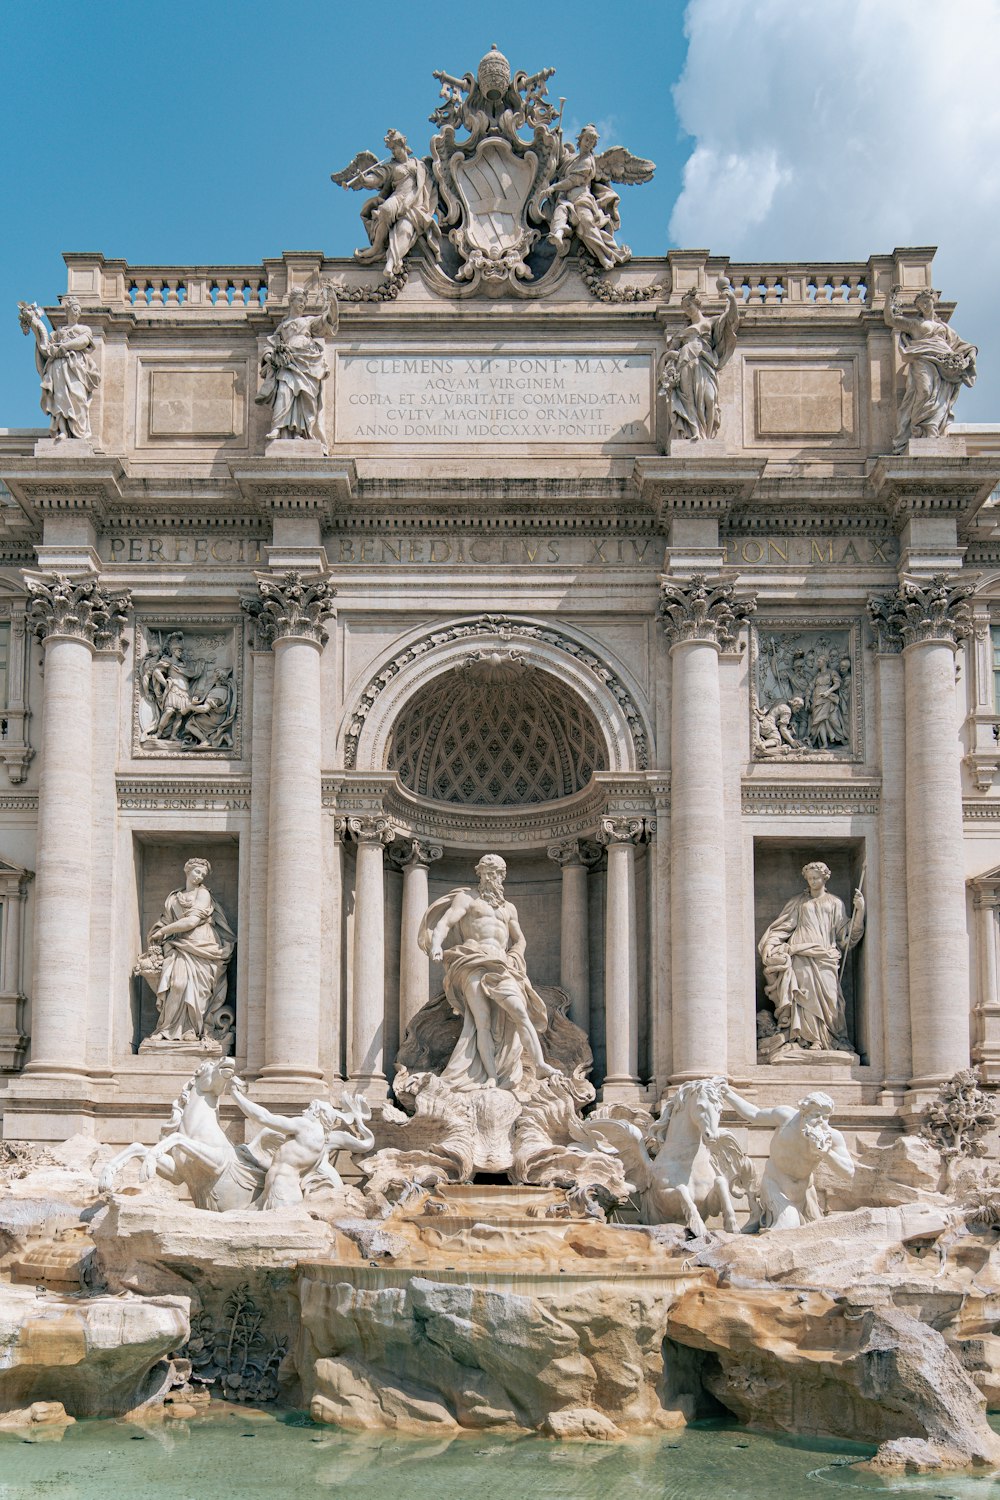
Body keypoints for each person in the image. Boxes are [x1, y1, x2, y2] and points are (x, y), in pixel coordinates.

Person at [419, 853, 559, 1090]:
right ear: (480, 874)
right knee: (480, 1020)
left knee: (520, 1011)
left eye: (496, 874)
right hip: (472, 960)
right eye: (488, 873)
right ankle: (491, 1076)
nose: (492, 878)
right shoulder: (467, 899)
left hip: (502, 965)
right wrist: (435, 946)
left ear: (503, 876)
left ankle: (540, 1064)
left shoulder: (509, 909)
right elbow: (445, 923)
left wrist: (515, 957)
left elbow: (520, 939)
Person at [758, 861, 863, 1051]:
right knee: (804, 995)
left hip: (825, 954)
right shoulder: (799, 902)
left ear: (825, 878)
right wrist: (771, 943)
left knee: (830, 997)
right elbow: (784, 926)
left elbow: (845, 934)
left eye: (816, 878)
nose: (813, 881)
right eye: (810, 879)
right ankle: (809, 1039)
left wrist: (860, 911)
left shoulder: (835, 902)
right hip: (800, 952)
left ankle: (829, 1039)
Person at [719, 1087, 854, 1230]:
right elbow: (753, 1114)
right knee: (788, 1226)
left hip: (805, 1192)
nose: (821, 1122)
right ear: (804, 1113)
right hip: (776, 1186)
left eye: (826, 1117)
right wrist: (727, 1093)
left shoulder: (832, 1137)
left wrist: (826, 1153)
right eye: (816, 1115)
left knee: (816, 1232)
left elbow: (849, 1173)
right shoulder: (785, 1117)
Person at [146, 858, 235, 1042]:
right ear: (187, 870)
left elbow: (192, 921)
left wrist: (163, 931)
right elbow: (166, 920)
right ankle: (167, 1029)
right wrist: (158, 931)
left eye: (203, 874)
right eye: (197, 872)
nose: (200, 876)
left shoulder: (203, 894)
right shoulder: (173, 897)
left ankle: (192, 1030)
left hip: (202, 946)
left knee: (197, 989)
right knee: (177, 985)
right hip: (179, 945)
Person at [884, 288, 976, 452]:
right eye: (922, 303)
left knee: (938, 398)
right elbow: (890, 319)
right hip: (923, 359)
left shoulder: (944, 327)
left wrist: (969, 356)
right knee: (925, 391)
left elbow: (964, 346)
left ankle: (932, 431)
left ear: (934, 302)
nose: (925, 305)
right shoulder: (915, 324)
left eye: (928, 302)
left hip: (943, 362)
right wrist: (889, 297)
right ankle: (920, 429)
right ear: (918, 307)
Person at [255, 283, 338, 442]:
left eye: (304, 302)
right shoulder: (282, 327)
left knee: (305, 396)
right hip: (287, 362)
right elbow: (268, 347)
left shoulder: (308, 321)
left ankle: (301, 431)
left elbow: (328, 321)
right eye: (299, 300)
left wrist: (332, 302)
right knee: (284, 392)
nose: (302, 304)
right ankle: (278, 428)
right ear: (291, 301)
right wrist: (271, 357)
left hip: (307, 362)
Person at [658, 279, 740, 441]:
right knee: (688, 400)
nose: (687, 310)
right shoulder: (682, 333)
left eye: (689, 306)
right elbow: (669, 354)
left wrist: (732, 299)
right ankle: (695, 431)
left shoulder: (711, 323)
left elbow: (731, 320)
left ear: (697, 304)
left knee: (709, 399)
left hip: (704, 364)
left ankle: (707, 436)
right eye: (684, 308)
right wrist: (670, 357)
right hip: (685, 364)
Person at [352, 130, 440, 279]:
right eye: (391, 149)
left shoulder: (419, 165)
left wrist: (412, 201)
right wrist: (364, 180)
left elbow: (426, 186)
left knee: (404, 228)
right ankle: (377, 246)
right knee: (385, 210)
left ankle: (391, 262)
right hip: (398, 197)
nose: (393, 151)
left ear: (403, 145)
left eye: (394, 147)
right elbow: (378, 178)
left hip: (414, 203)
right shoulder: (391, 166)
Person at [19, 296, 100, 440]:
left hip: (76, 368)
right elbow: (46, 347)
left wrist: (66, 346)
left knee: (78, 397)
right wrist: (35, 324)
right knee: (60, 397)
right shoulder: (58, 333)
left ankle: (78, 432)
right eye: (74, 309)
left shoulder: (84, 329)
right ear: (68, 312)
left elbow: (84, 341)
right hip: (58, 367)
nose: (76, 312)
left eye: (78, 310)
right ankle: (63, 430)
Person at [548, 125, 627, 270]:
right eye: (587, 139)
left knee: (587, 224)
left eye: (592, 142)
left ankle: (605, 256)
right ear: (580, 139)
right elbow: (560, 157)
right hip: (566, 200)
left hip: (582, 200)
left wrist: (553, 187)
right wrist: (558, 137)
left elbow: (573, 181)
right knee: (560, 213)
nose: (588, 143)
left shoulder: (588, 161)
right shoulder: (572, 159)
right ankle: (558, 235)